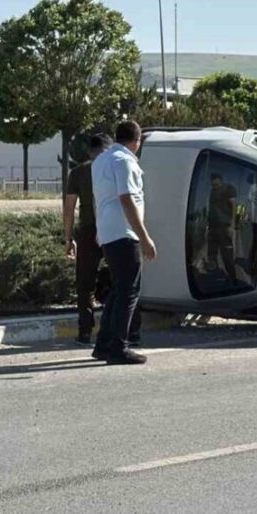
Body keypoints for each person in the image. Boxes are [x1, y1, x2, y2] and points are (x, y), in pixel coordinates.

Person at [64, 133, 141, 346]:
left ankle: (85, 332)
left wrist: (68, 238)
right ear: (109, 148)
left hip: (87, 232)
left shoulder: (78, 172)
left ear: (89, 151)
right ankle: (131, 331)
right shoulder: (114, 165)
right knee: (124, 282)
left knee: (85, 283)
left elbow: (69, 208)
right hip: (114, 229)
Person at [91, 121, 156, 365]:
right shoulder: (126, 162)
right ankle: (119, 347)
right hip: (125, 233)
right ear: (137, 142)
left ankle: (104, 345)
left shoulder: (101, 161)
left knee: (118, 290)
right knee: (129, 291)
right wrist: (145, 236)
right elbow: (126, 199)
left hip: (108, 232)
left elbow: (101, 198)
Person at [206, 173, 238, 282]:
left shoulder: (228, 189)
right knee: (211, 255)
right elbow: (211, 210)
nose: (214, 184)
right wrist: (208, 227)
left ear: (220, 180)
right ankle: (215, 277)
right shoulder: (212, 192)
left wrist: (232, 225)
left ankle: (233, 279)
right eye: (212, 182)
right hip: (213, 228)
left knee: (227, 256)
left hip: (224, 227)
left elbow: (234, 206)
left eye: (216, 181)